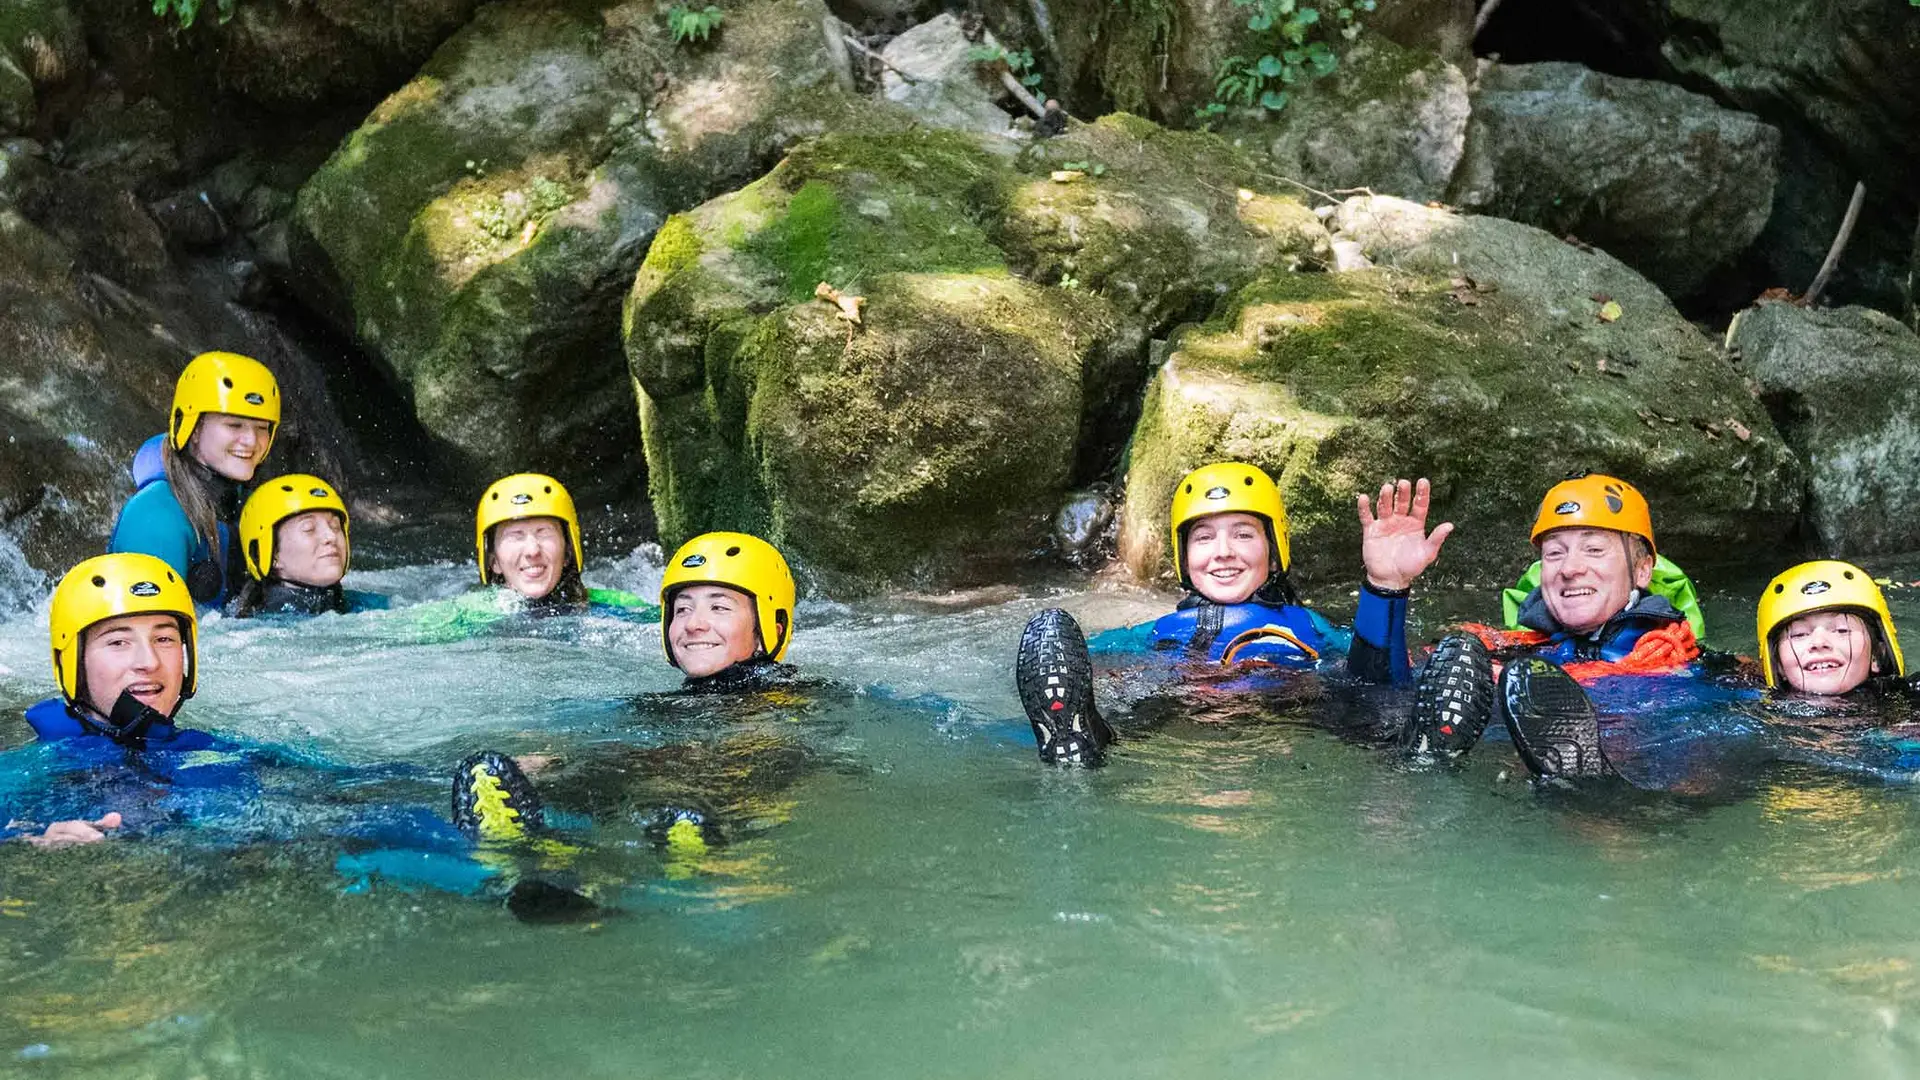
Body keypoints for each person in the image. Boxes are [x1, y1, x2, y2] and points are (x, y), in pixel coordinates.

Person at [1013, 462, 1453, 765]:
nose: (1223, 553)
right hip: (1184, 703)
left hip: (1295, 708)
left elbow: (1378, 678)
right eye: (1203, 538)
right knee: (1134, 707)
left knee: (1371, 704)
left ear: (1274, 547)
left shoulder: (1310, 628)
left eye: (1243, 534)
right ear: (1185, 556)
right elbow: (1080, 658)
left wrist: (1386, 586)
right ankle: (1078, 736)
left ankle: (1422, 744)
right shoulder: (1160, 632)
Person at [1399, 472, 1705, 763]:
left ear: (1642, 570)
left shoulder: (1691, 664)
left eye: (1594, 549)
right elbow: (1371, 694)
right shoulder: (1506, 655)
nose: (1570, 569)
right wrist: (1386, 589)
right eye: (1555, 554)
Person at [110, 351, 280, 609]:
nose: (251, 441)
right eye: (234, 425)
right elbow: (144, 631)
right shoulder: (156, 516)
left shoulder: (245, 502)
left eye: (262, 427)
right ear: (195, 429)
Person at [659, 531, 800, 692]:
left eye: (719, 608)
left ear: (771, 632)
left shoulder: (797, 706)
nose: (693, 624)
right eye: (683, 609)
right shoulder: (660, 707)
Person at [228, 474, 387, 617]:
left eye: (335, 526)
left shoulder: (369, 605)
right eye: (309, 529)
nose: (331, 536)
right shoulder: (257, 628)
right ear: (272, 554)